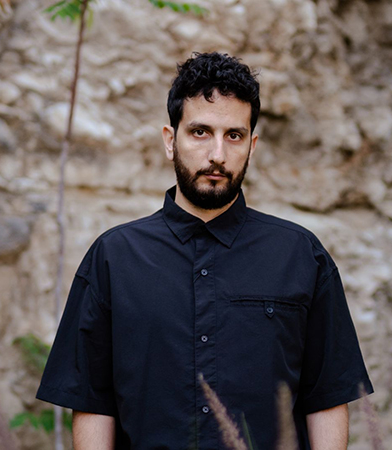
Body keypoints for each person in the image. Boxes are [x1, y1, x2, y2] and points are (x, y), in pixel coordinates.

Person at [36, 52, 373, 450]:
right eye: (200, 132)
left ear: (252, 146)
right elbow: (93, 404)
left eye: (234, 135)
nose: (217, 155)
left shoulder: (301, 255)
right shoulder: (113, 257)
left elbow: (327, 398)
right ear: (170, 140)